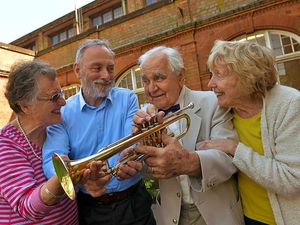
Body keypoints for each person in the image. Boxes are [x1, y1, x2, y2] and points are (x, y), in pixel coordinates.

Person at [118, 46, 244, 225]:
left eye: (159, 78)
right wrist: (137, 164)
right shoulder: (144, 115)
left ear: (180, 75)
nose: (151, 88)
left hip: (217, 213)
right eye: (145, 81)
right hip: (171, 216)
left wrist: (189, 162)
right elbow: (151, 175)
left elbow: (230, 160)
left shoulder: (212, 102)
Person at [42, 39, 156, 225]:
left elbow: (134, 140)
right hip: (91, 210)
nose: (106, 75)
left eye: (110, 68)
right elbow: (51, 161)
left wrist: (133, 157)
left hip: (135, 203)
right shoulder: (62, 112)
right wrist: (80, 180)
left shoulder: (127, 98)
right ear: (77, 70)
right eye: (97, 68)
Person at [196, 40, 300, 225]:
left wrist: (235, 149)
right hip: (247, 218)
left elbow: (291, 180)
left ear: (247, 76)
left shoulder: (290, 104)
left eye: (218, 75)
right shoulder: (223, 108)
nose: (211, 83)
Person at [0, 60, 79, 224]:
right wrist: (63, 176)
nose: (63, 102)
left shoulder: (54, 130)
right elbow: (28, 208)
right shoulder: (5, 145)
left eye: (61, 94)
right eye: (54, 97)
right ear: (25, 106)